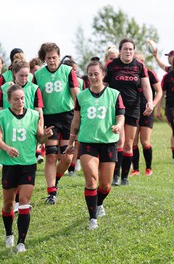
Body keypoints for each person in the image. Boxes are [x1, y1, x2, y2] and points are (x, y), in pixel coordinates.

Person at [64, 58, 125, 230]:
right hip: (87, 142)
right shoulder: (81, 96)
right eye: (90, 74)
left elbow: (120, 116)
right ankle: (93, 219)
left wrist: (118, 126)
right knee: (91, 180)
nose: (93, 77)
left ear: (103, 74)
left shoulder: (115, 94)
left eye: (96, 74)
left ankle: (98, 203)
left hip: (108, 142)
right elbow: (75, 122)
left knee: (105, 185)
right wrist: (71, 142)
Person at [0, 84, 53, 253]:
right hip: (10, 164)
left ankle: (21, 242)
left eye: (22, 98)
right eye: (16, 99)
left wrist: (46, 136)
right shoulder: (1, 116)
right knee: (8, 204)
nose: (20, 102)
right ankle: (9, 234)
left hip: (28, 163)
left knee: (25, 202)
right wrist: (7, 148)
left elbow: (40, 139)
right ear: (9, 100)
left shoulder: (35, 115)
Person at [33, 42, 80, 204]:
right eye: (48, 58)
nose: (52, 61)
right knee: (51, 155)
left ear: (59, 57)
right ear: (44, 59)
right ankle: (51, 192)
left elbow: (76, 96)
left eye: (54, 57)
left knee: (67, 157)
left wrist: (81, 115)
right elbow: (35, 99)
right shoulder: (38, 75)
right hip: (49, 118)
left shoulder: (68, 71)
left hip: (67, 117)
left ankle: (56, 179)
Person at [103, 38, 153, 186]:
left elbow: (146, 86)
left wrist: (149, 101)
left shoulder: (140, 66)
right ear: (120, 51)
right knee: (119, 141)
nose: (128, 51)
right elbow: (104, 85)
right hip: (115, 108)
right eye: (125, 49)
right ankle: (116, 176)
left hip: (133, 107)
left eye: (131, 49)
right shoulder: (111, 66)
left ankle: (125, 177)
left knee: (129, 144)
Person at [130, 52, 163, 176]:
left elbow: (159, 92)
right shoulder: (130, 74)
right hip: (133, 110)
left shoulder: (150, 73)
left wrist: (152, 105)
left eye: (138, 62)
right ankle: (136, 170)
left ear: (142, 63)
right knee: (133, 142)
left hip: (147, 111)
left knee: (145, 142)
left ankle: (149, 169)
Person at [62, 56, 84, 176]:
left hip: (77, 113)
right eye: (72, 70)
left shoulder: (81, 82)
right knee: (67, 142)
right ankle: (64, 163)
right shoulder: (63, 81)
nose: (74, 72)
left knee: (77, 141)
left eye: (76, 70)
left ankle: (73, 166)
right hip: (67, 114)